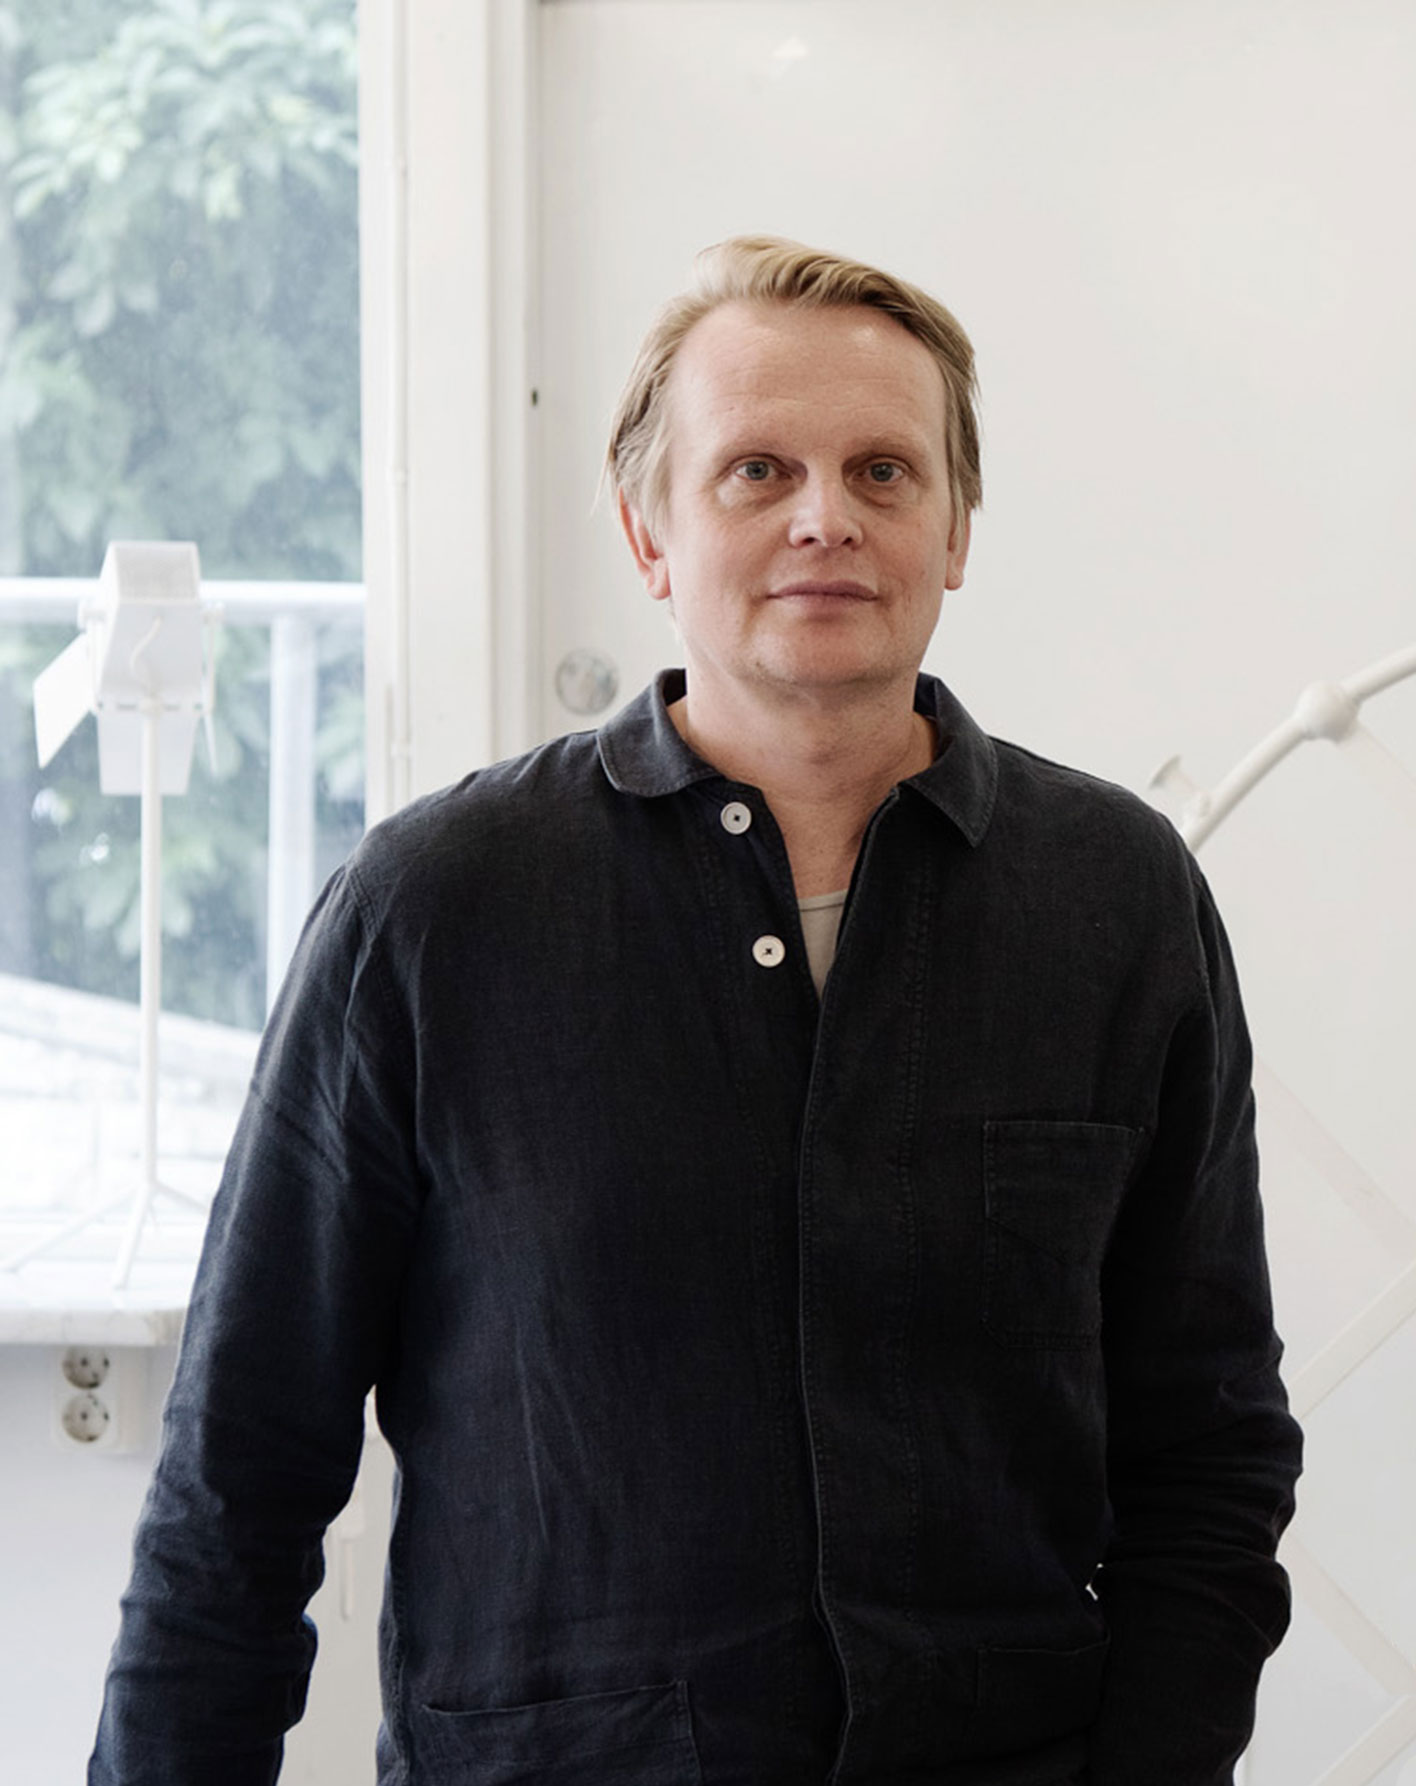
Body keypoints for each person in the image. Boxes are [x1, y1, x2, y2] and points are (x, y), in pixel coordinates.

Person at [91, 236, 1301, 1785]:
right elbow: (237, 1484)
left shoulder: (1115, 899)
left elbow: (1209, 1454)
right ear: (649, 532)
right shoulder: (434, 909)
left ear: (955, 529)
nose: (825, 517)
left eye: (882, 470)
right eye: (756, 471)